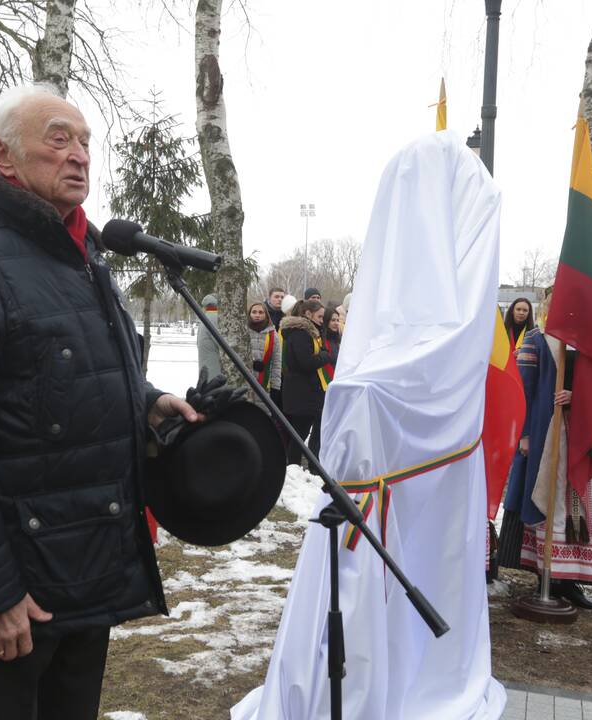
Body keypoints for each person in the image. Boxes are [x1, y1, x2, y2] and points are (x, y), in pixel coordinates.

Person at [0, 84, 201, 720]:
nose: (80, 155)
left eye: (86, 142)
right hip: (18, 589)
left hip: (87, 564)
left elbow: (59, 371)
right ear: (4, 156)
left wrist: (146, 402)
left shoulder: (80, 249)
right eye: (59, 138)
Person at [234, 130, 506, 720]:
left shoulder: (425, 354)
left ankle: (408, 677)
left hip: (415, 493)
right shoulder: (378, 363)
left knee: (428, 586)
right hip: (373, 509)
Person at [499, 312, 592, 611]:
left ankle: (572, 582)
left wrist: (580, 396)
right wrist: (525, 433)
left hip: (585, 436)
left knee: (581, 506)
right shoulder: (536, 339)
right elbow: (522, 389)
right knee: (547, 502)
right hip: (547, 436)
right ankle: (546, 579)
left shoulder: (589, 342)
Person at [279, 299, 329, 464]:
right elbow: (306, 362)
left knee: (299, 433)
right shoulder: (301, 333)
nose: (322, 321)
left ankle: (294, 465)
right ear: (308, 314)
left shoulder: (304, 332)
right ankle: (293, 466)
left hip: (302, 391)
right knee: (299, 433)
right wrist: (324, 356)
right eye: (320, 317)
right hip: (301, 392)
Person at [247, 302, 283, 407]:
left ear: (266, 315)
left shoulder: (273, 334)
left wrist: (275, 387)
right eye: (254, 312)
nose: (257, 315)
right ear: (249, 314)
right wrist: (251, 363)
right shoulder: (243, 331)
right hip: (245, 382)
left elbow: (276, 362)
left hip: (265, 382)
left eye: (260, 312)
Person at [197, 293, 223, 381]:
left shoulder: (205, 317)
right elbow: (223, 344)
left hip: (206, 369)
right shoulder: (214, 317)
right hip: (214, 371)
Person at [319, 305, 342, 388]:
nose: (336, 323)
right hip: (329, 383)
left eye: (337, 320)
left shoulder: (338, 340)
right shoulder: (322, 341)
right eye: (333, 320)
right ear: (326, 321)